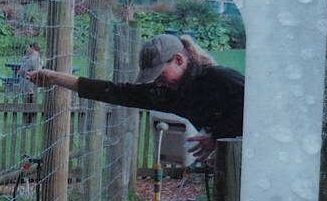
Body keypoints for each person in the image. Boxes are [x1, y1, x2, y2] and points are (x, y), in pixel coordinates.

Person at [27, 33, 243, 159]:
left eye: (160, 74)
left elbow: (259, 113)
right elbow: (117, 92)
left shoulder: (221, 78)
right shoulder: (168, 93)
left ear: (178, 59)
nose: (157, 82)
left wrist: (218, 135)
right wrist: (55, 78)